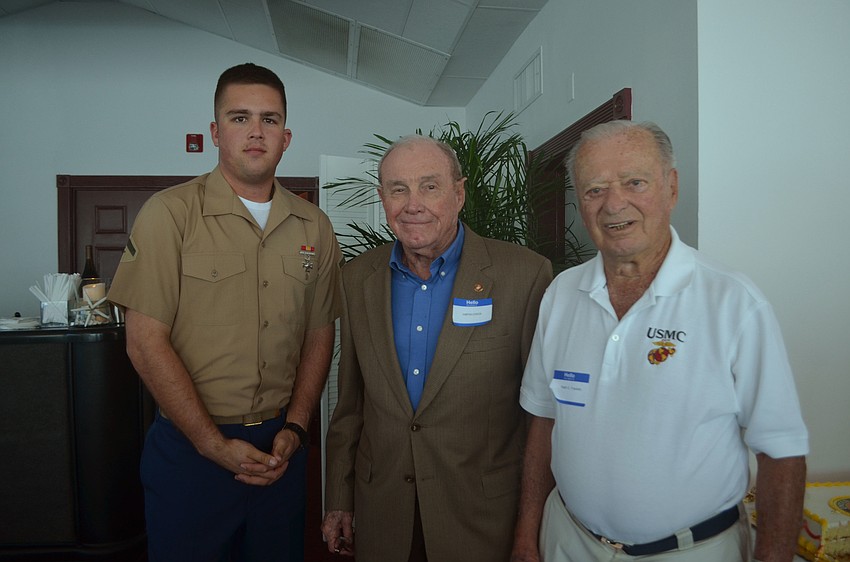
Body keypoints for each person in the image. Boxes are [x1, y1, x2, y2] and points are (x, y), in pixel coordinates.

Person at [511, 120, 809, 562]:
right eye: (594, 190)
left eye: (634, 182)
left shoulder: (732, 302)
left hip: (691, 551)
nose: (614, 204)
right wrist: (526, 536)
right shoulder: (562, 294)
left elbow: (781, 449)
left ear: (671, 187)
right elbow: (544, 420)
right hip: (567, 540)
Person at [108, 62, 342, 561]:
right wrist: (212, 444)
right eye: (240, 118)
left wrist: (297, 429)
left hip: (280, 452)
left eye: (270, 119)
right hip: (191, 453)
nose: (256, 132)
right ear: (215, 132)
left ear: (286, 136)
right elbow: (145, 342)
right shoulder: (169, 214)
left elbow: (320, 334)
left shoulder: (315, 227)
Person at [320, 135, 553, 561]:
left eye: (429, 186)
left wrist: (532, 524)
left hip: (481, 517)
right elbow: (350, 403)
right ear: (382, 198)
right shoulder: (356, 279)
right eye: (398, 188)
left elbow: (539, 416)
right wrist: (339, 496)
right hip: (383, 513)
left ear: (459, 193)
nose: (413, 204)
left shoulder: (525, 275)